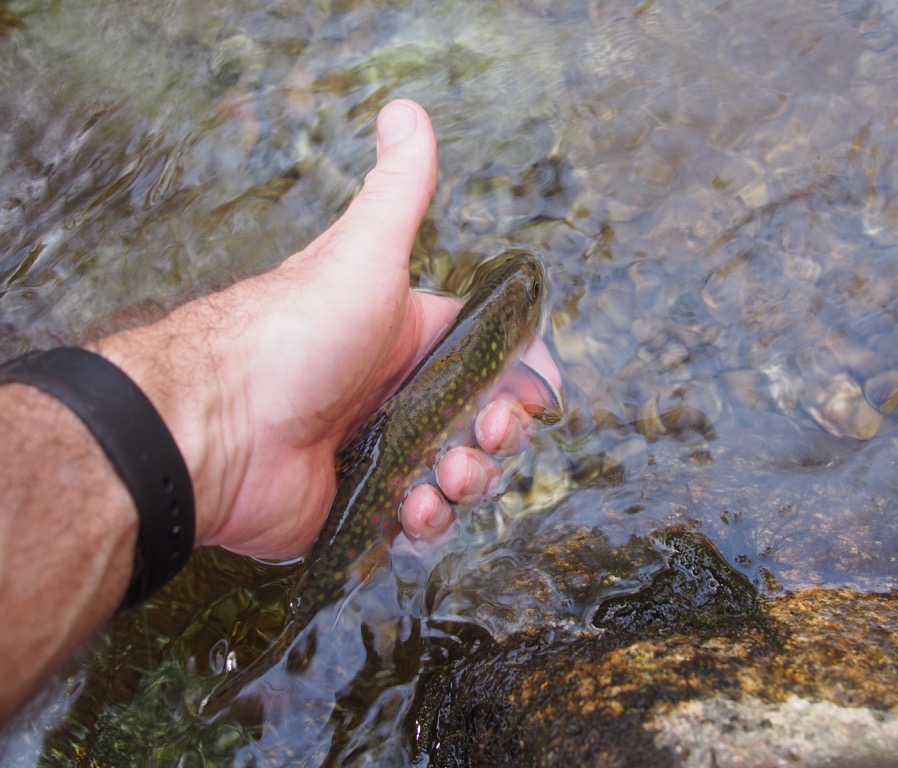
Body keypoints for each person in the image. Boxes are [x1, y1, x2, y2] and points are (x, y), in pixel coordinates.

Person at [0, 99, 560, 725]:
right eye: (532, 298)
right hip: (359, 493)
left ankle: (290, 671)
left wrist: (214, 429)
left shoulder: (477, 339)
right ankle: (293, 671)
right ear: (514, 328)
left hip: (352, 485)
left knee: (434, 494)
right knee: (435, 497)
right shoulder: (504, 346)